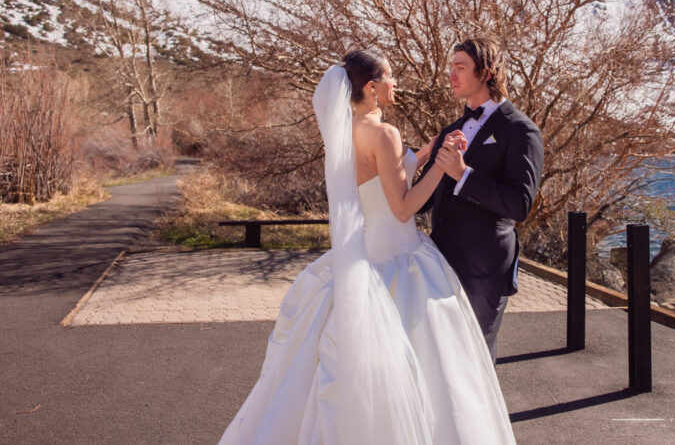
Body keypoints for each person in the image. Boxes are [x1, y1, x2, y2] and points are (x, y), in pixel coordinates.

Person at [219, 49, 515, 445]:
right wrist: (444, 168)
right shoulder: (385, 133)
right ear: (372, 88)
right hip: (401, 257)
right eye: (391, 76)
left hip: (364, 255)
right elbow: (403, 207)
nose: (397, 83)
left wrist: (423, 155)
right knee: (434, 370)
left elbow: (376, 179)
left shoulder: (346, 130)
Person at [420, 38, 544, 361]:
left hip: (484, 272)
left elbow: (520, 203)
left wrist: (464, 175)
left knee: (474, 364)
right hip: (439, 266)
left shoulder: (522, 131)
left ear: (486, 73)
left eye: (460, 67)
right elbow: (421, 199)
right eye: (451, 67)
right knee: (440, 361)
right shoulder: (453, 129)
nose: (451, 74)